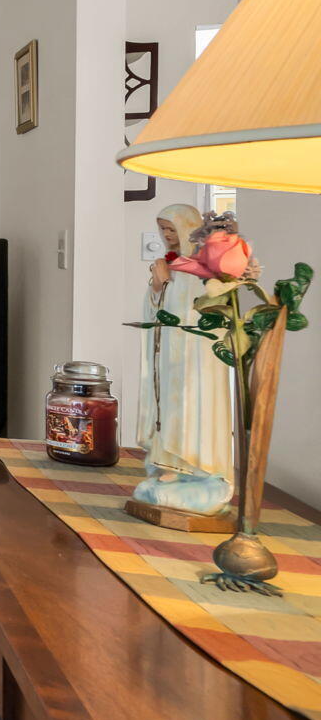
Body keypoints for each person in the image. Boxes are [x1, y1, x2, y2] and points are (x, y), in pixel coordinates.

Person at [132, 203, 235, 514]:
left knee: (191, 411)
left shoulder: (203, 271)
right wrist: (158, 284)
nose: (166, 235)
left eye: (171, 229)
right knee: (169, 409)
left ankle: (198, 472)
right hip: (169, 362)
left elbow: (202, 316)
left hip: (194, 364)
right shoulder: (171, 266)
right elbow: (155, 311)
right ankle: (170, 468)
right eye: (163, 229)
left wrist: (169, 282)